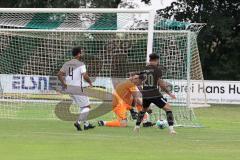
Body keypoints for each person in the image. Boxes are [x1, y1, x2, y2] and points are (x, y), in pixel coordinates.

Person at [134, 53, 177, 134]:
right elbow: (161, 84)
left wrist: (141, 90)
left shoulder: (144, 69)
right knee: (168, 108)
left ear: (150, 60)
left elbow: (138, 82)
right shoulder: (157, 70)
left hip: (146, 94)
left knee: (143, 110)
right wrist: (169, 93)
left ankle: (137, 127)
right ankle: (171, 130)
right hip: (154, 94)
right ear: (157, 60)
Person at [57, 46, 95, 131]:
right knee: (87, 107)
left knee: (83, 106)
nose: (83, 53)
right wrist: (90, 82)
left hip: (69, 89)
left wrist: (63, 84)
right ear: (78, 54)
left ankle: (86, 124)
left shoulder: (67, 63)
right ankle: (78, 122)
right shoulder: (81, 64)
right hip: (77, 88)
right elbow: (85, 75)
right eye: (82, 52)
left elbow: (59, 74)